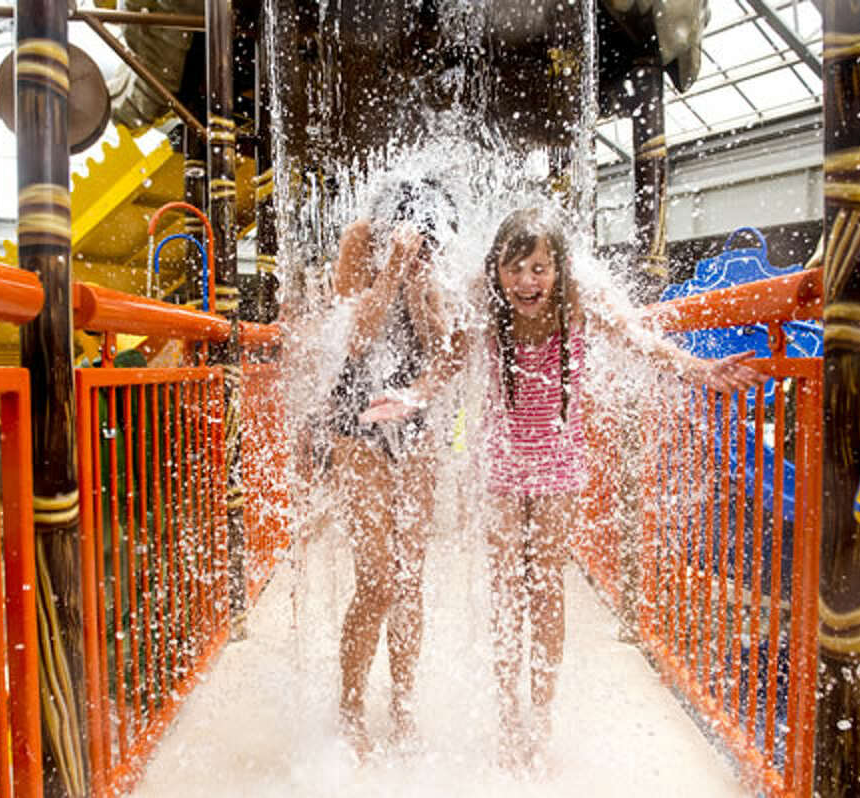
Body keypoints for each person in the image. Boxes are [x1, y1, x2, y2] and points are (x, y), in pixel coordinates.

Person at [361, 207, 765, 769]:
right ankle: (507, 714)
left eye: (538, 269)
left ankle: (542, 716)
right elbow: (450, 361)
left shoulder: (577, 301)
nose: (527, 282)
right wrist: (413, 397)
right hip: (502, 463)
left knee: (545, 583)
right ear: (496, 269)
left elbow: (637, 340)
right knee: (506, 588)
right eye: (515, 269)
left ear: (558, 269)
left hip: (557, 464)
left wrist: (698, 370)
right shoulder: (486, 303)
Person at [326, 180, 456, 758]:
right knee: (376, 579)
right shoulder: (361, 238)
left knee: (408, 581)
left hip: (416, 420)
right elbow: (355, 340)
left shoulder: (435, 250)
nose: (418, 244)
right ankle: (351, 705)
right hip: (357, 418)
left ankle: (403, 702)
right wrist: (391, 273)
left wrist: (424, 295)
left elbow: (441, 348)